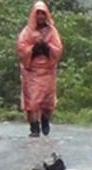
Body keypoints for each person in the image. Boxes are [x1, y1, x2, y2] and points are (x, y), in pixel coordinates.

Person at [16, 1, 63, 137]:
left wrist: (46, 47)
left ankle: (45, 120)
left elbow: (58, 49)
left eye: (43, 14)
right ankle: (34, 128)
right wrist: (34, 49)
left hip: (48, 71)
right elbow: (21, 48)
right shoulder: (27, 32)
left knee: (47, 101)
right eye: (38, 14)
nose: (41, 17)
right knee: (32, 101)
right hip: (31, 71)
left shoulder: (52, 32)